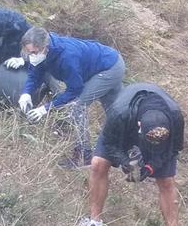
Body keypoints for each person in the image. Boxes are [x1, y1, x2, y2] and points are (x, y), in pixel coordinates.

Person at [77, 83, 186, 226]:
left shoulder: (175, 117)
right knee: (98, 164)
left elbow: (174, 149)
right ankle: (94, 221)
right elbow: (111, 144)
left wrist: (150, 167)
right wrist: (125, 162)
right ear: (140, 125)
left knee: (166, 181)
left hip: (160, 145)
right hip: (123, 131)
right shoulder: (119, 113)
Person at [18, 27, 126, 168]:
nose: (31, 56)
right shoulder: (42, 55)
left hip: (110, 68)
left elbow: (75, 90)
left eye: (34, 52)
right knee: (116, 112)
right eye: (28, 52)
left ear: (45, 47)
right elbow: (35, 75)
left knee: (77, 106)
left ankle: (84, 157)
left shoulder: (67, 56)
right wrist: (26, 93)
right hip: (100, 65)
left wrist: (45, 109)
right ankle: (125, 150)